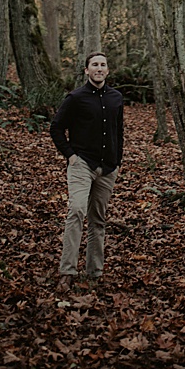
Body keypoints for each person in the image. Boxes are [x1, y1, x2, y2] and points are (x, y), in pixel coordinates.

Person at [52, 52, 125, 289]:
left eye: (103, 64)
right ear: (87, 70)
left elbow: (118, 131)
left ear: (107, 70)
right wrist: (70, 155)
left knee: (98, 220)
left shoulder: (116, 98)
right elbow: (56, 128)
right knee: (76, 210)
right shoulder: (75, 98)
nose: (99, 68)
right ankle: (67, 271)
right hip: (82, 164)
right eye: (94, 65)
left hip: (108, 168)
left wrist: (117, 160)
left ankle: (94, 272)